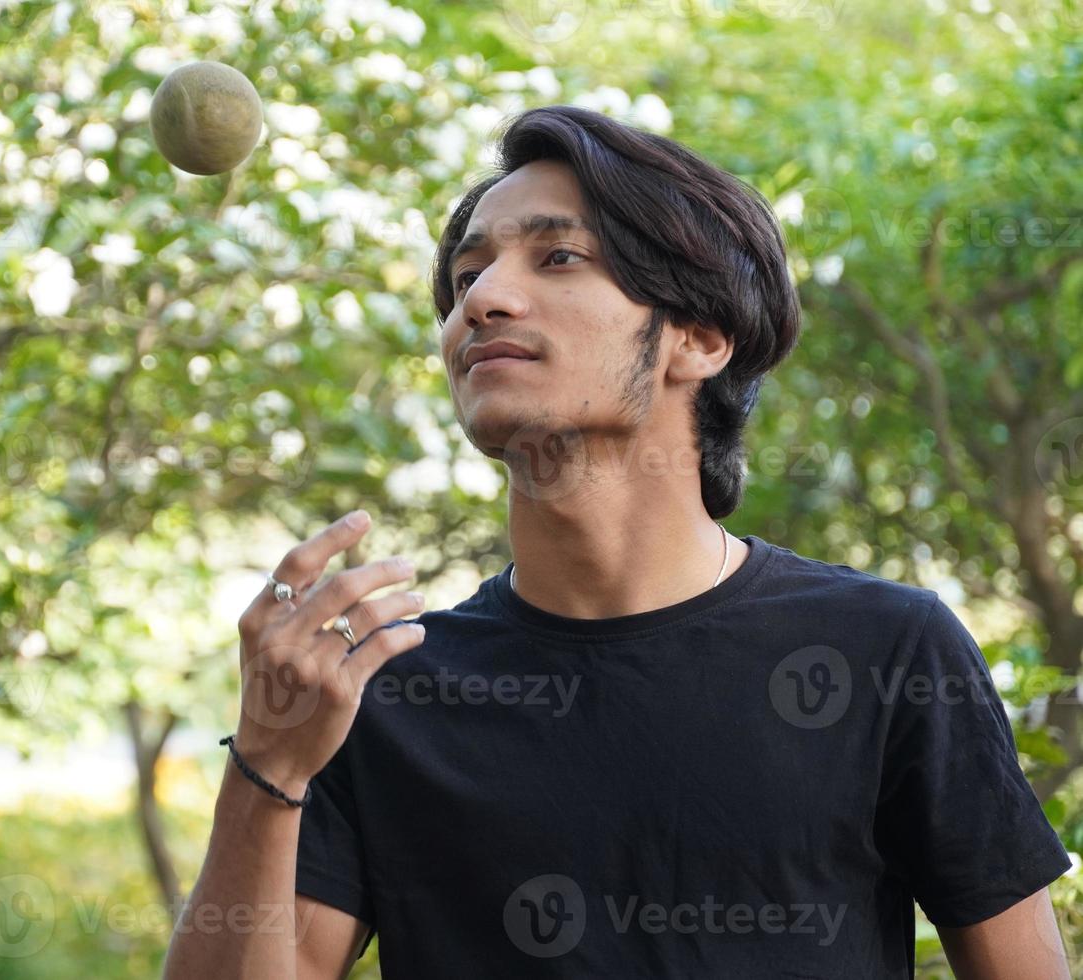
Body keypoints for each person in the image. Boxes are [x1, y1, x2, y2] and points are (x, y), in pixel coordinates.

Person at [161, 105, 1072, 979]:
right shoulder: (385, 692)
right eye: (468, 276)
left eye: (557, 257)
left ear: (700, 337)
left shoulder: (886, 651)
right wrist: (268, 764)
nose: (483, 300)